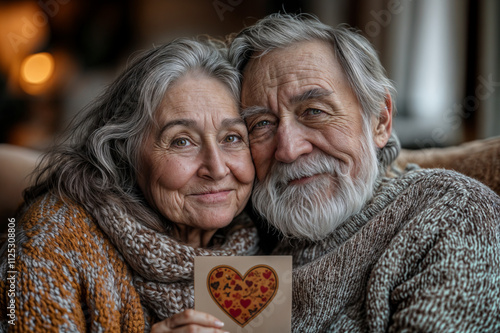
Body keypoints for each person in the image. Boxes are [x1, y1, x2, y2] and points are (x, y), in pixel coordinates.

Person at [228, 13, 500, 332]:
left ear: (380, 121)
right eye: (262, 124)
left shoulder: (452, 212)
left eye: (314, 111)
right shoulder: (249, 236)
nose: (287, 149)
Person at [0, 38, 258, 332]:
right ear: (125, 151)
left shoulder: (263, 236)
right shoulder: (51, 241)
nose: (217, 167)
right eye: (181, 141)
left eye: (232, 138)